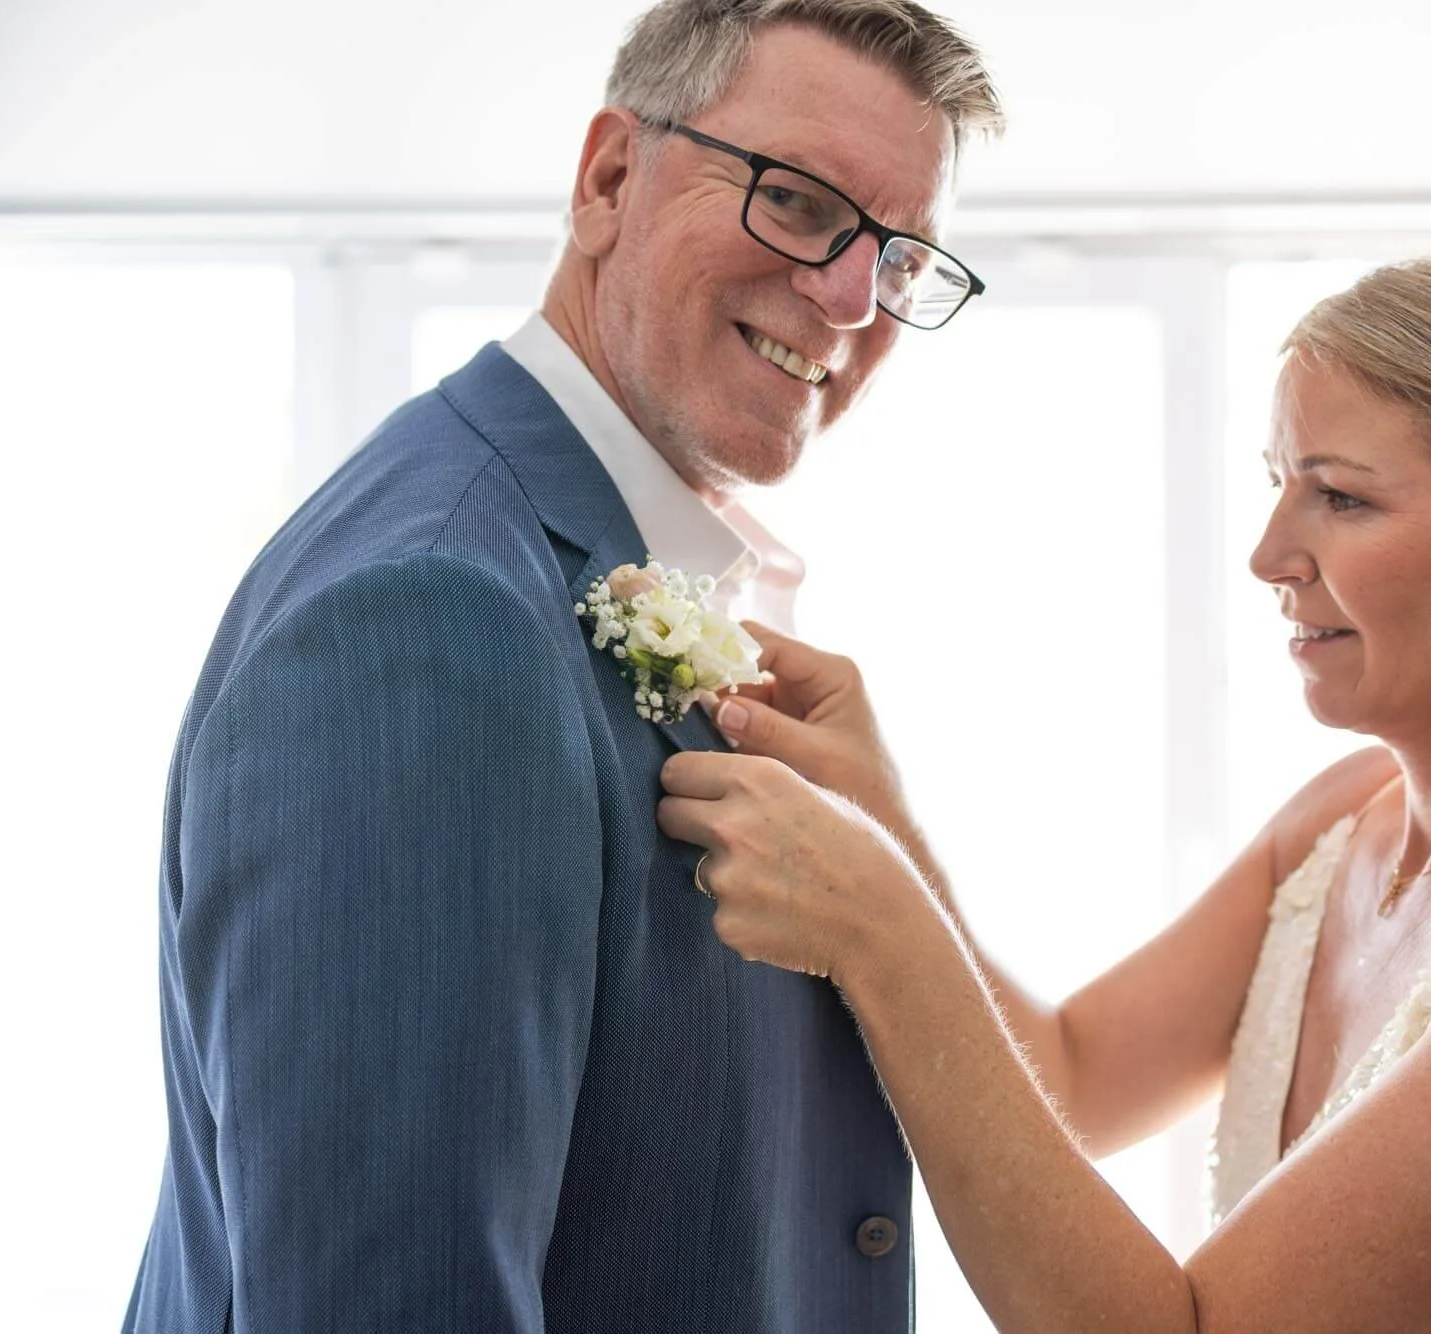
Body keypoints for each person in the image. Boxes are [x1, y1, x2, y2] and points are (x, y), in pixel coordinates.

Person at [661, 252, 1431, 1332]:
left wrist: (883, 933)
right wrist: (881, 821)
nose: (1266, 554)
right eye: (1276, 484)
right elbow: (1071, 1079)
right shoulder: (1344, 819)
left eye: (1338, 498)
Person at [123, 2, 1001, 1329]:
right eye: (801, 202)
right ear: (606, 180)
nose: (849, 296)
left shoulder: (595, 564)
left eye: (899, 253)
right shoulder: (428, 619)